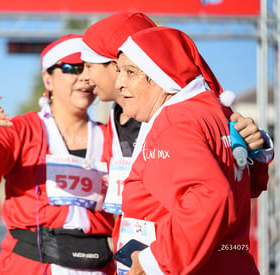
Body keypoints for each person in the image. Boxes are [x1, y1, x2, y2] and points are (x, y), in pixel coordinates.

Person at [80, 12, 274, 272]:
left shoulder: (175, 119)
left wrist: (156, 262)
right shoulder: (204, 110)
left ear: (156, 70)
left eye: (126, 70)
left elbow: (211, 194)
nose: (119, 82)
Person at [0, 34, 115, 275]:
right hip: (32, 264)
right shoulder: (23, 129)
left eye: (90, 69)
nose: (85, 78)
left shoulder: (112, 137)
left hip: (99, 265)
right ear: (47, 79)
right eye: (73, 68)